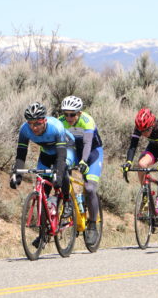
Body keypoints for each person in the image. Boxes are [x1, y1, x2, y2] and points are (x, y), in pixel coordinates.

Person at [9, 102, 76, 223]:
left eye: (38, 123)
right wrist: (17, 175)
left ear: (44, 121)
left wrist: (59, 175)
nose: (34, 127)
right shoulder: (24, 130)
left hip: (65, 148)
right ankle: (43, 234)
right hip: (47, 152)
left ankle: (67, 201)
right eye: (30, 123)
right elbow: (21, 154)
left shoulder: (56, 127)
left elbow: (61, 157)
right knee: (43, 191)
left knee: (62, 169)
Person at [121, 108, 158, 240]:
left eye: (146, 130)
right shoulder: (140, 128)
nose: (143, 133)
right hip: (153, 150)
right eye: (141, 131)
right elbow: (133, 146)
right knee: (141, 165)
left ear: (152, 125)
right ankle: (145, 192)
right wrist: (128, 162)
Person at [59, 95, 103, 246]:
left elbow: (87, 142)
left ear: (79, 113)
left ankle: (92, 224)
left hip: (92, 153)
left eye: (72, 114)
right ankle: (69, 204)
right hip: (74, 151)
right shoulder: (61, 122)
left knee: (90, 188)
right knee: (62, 175)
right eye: (66, 114)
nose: (69, 117)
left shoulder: (87, 120)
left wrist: (84, 161)